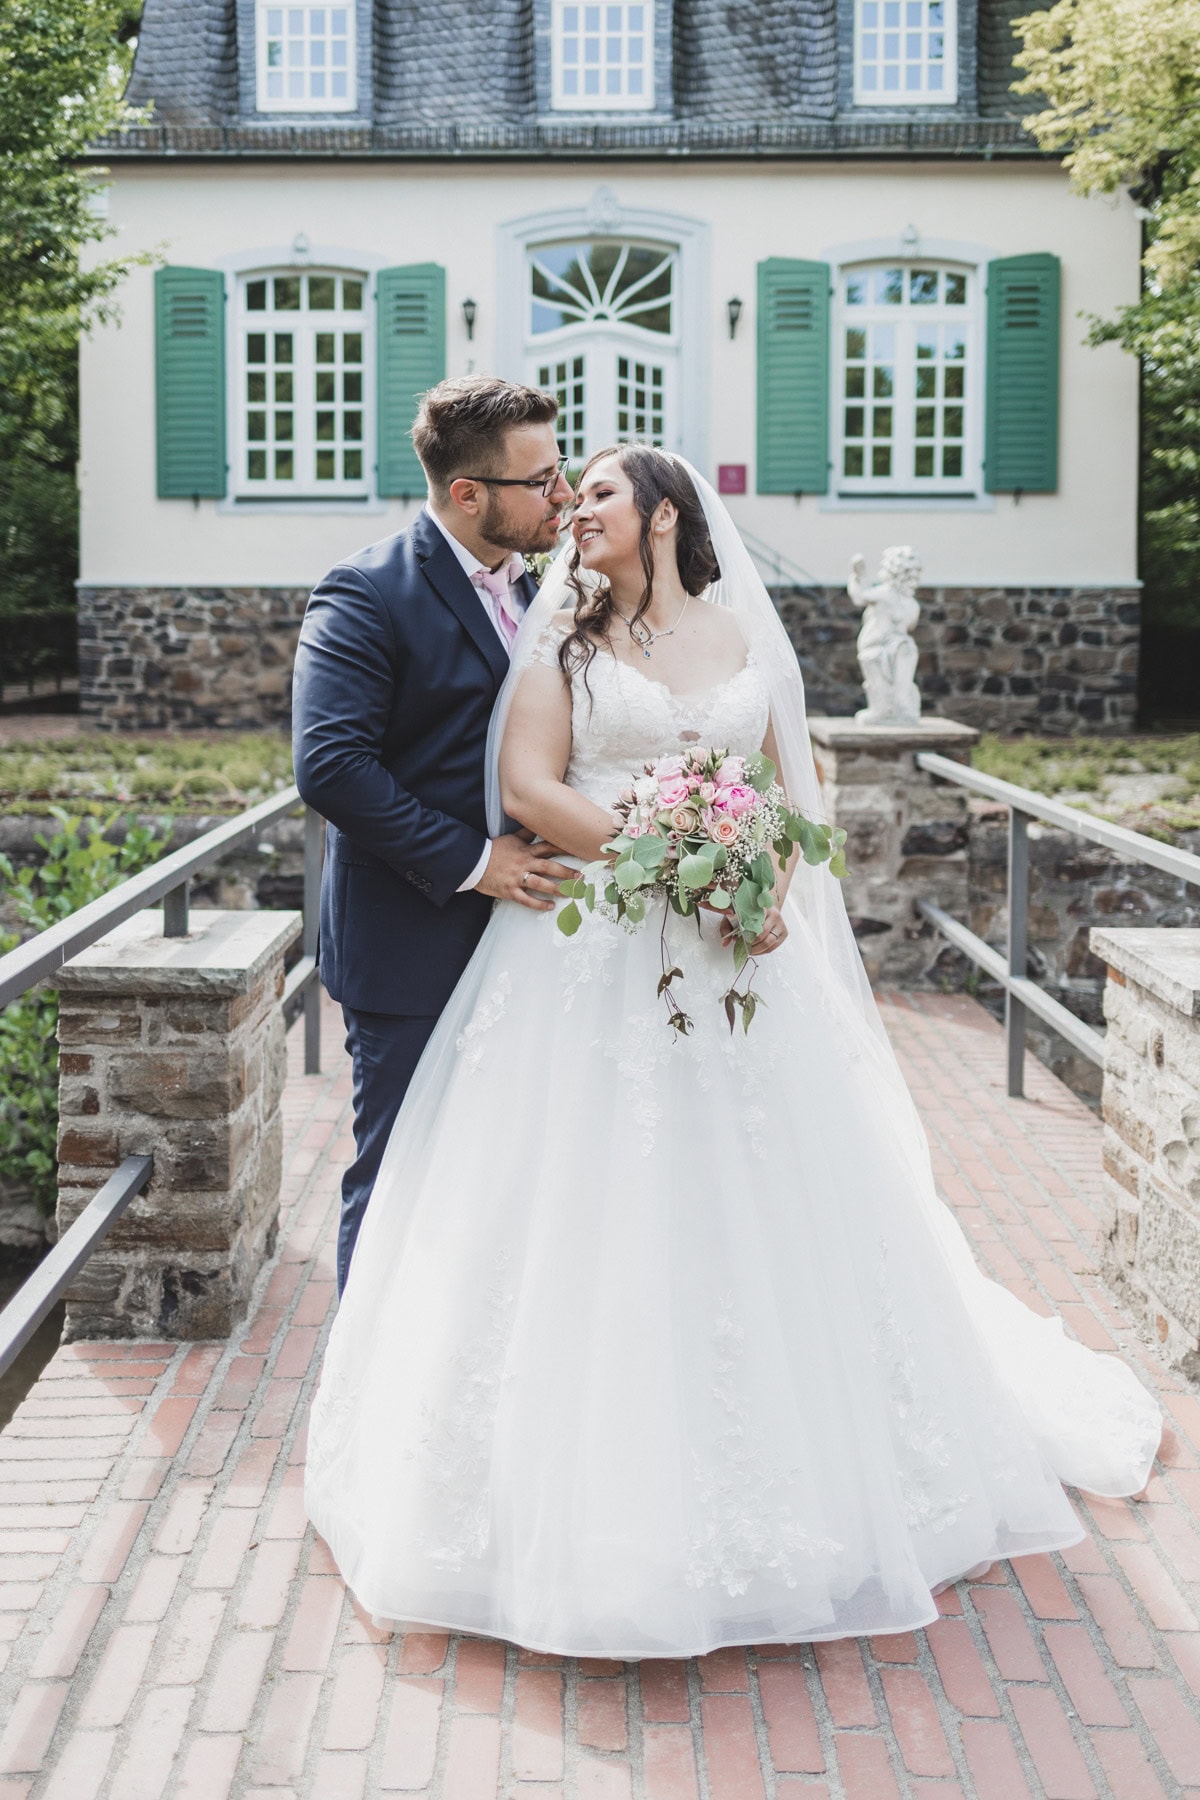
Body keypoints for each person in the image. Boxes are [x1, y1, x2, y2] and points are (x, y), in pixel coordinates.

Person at [304, 443, 1161, 1658]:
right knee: (583, 1197)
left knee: (759, 1194)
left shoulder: (745, 639)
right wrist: (673, 865)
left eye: (600, 491)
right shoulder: (563, 642)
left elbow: (779, 793)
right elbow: (531, 789)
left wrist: (762, 885)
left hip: (732, 964)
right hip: (594, 952)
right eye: (565, 489)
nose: (574, 507)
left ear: (664, 515)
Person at [292, 377, 577, 1293]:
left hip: (535, 942)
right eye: (541, 480)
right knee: (398, 1175)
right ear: (467, 493)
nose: (564, 493)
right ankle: (360, 1376)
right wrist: (474, 862)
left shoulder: (546, 587)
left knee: (511, 1177)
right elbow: (330, 767)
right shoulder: (366, 591)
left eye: (561, 469)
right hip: (413, 942)